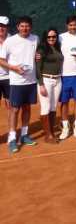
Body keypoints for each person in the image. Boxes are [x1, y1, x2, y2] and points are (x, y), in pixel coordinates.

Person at [0, 16, 39, 154]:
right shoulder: (10, 41)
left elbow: (37, 54)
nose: (24, 28)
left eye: (27, 26)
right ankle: (12, 138)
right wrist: (14, 68)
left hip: (31, 81)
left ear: (31, 27)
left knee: (27, 108)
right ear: (17, 27)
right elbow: (1, 60)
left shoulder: (35, 39)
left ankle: (24, 135)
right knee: (14, 110)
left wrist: (38, 56)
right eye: (22, 26)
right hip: (16, 82)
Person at [36, 28, 63, 144]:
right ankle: (48, 135)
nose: (51, 38)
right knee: (45, 107)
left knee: (53, 107)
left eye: (54, 36)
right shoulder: (41, 49)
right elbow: (38, 68)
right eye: (49, 37)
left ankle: (51, 131)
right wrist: (41, 84)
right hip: (46, 80)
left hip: (58, 80)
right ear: (45, 37)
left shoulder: (58, 47)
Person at [0, 16, 10, 112]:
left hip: (10, 77)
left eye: (3, 26)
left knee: (11, 106)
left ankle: (11, 124)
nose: (1, 28)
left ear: (7, 27)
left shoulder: (13, 40)